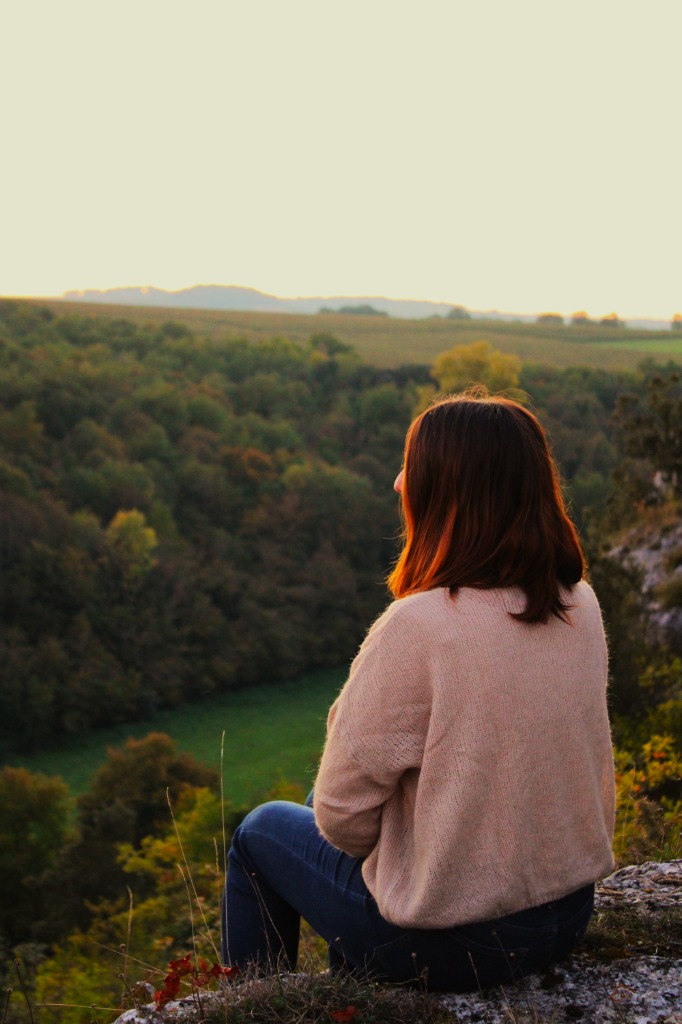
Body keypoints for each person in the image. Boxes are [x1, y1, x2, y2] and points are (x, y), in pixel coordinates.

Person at [221, 393, 616, 992]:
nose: (398, 480)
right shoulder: (577, 602)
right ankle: (354, 986)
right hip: (564, 915)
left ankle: (257, 1004)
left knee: (262, 831)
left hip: (460, 946)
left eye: (413, 467)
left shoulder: (420, 626)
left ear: (446, 493)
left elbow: (340, 817)